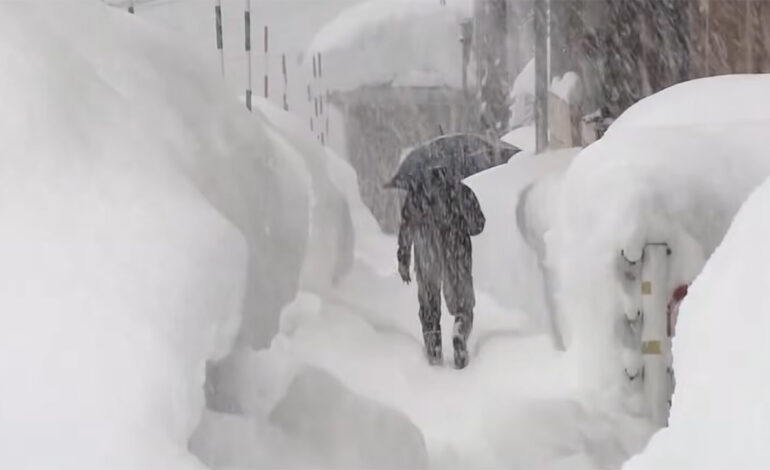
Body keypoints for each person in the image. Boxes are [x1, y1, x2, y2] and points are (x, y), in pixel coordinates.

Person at [397, 168, 485, 368]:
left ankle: (434, 349)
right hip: (456, 248)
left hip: (427, 250)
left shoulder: (416, 194)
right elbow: (478, 225)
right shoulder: (460, 190)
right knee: (463, 303)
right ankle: (460, 330)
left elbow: (406, 226)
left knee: (429, 303)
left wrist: (404, 257)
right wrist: (460, 217)